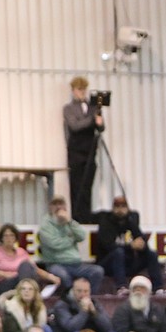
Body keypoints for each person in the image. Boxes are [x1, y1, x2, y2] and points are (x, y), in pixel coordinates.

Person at [95, 196, 166, 295]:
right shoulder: (106, 222)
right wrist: (130, 246)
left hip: (127, 264)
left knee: (152, 254)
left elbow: (141, 240)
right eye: (117, 206)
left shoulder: (130, 221)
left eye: (123, 206)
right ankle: (121, 287)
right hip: (108, 265)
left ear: (127, 208)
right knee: (118, 252)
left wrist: (142, 245)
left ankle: (158, 289)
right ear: (113, 208)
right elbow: (108, 246)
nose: (120, 210)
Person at [36, 196, 104, 292]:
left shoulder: (69, 222)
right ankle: (71, 299)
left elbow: (82, 236)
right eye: (55, 204)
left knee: (97, 271)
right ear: (50, 207)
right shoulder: (45, 224)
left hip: (76, 264)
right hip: (56, 264)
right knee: (63, 276)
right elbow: (54, 244)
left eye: (61, 204)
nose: (58, 207)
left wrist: (70, 222)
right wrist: (71, 239)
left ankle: (90, 298)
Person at [0, 224, 61, 297]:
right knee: (25, 272)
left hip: (22, 280)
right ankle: (26, 293)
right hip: (5, 283)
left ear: (15, 238)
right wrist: (4, 274)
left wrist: (50, 277)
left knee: (26, 266)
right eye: (5, 236)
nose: (8, 238)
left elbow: (36, 269)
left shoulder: (21, 251)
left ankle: (25, 292)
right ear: (1, 238)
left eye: (11, 235)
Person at [62, 76, 102, 223]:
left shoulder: (92, 108)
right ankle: (77, 217)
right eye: (79, 89)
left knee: (87, 186)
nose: (82, 92)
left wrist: (98, 120)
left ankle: (86, 216)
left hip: (90, 152)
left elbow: (101, 127)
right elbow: (75, 126)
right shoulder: (68, 109)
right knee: (76, 186)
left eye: (84, 89)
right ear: (73, 91)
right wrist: (92, 120)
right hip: (76, 152)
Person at [50, 277, 116, 332]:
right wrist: (84, 311)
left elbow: (108, 327)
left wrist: (95, 313)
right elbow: (71, 328)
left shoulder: (95, 303)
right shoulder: (62, 304)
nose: (83, 294)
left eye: (86, 291)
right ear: (73, 291)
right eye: (79, 291)